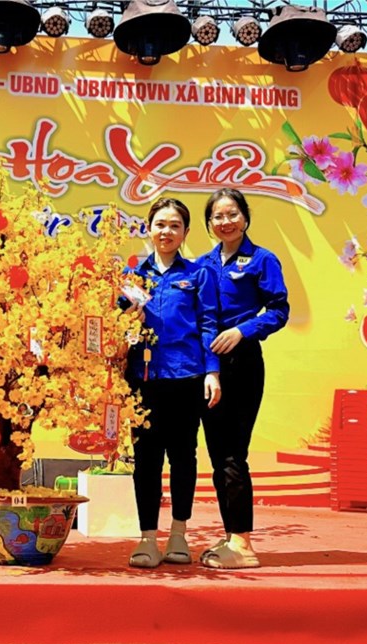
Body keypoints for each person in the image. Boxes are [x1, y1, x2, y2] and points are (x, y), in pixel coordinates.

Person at [124, 198, 221, 569]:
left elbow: (208, 324)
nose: (166, 231)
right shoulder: (133, 276)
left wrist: (212, 371)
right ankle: (147, 538)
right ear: (149, 228)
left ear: (186, 232)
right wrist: (126, 318)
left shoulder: (198, 274)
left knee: (183, 456)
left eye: (174, 225)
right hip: (143, 379)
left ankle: (179, 533)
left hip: (186, 377)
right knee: (146, 460)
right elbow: (115, 323)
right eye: (160, 224)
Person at [197, 188, 290, 569]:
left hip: (244, 363)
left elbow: (279, 310)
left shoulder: (263, 259)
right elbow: (198, 317)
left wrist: (243, 330)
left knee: (233, 454)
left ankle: (244, 546)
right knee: (218, 456)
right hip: (209, 369)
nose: (226, 222)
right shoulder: (203, 264)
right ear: (209, 224)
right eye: (218, 216)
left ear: (245, 218)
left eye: (232, 214)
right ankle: (232, 536)